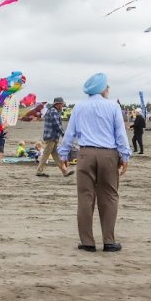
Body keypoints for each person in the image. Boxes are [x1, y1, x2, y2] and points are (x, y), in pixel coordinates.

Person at [58, 73, 130, 253]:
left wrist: (63, 154)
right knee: (110, 196)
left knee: (85, 197)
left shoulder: (79, 107)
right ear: (103, 89)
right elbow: (120, 134)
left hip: (85, 154)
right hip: (109, 154)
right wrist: (125, 156)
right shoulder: (113, 106)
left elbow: (70, 133)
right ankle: (109, 241)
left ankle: (87, 242)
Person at [37, 97, 72, 177]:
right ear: (58, 104)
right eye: (62, 104)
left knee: (56, 156)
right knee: (46, 155)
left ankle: (65, 172)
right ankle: (39, 171)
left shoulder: (52, 110)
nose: (62, 106)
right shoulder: (53, 111)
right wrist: (64, 134)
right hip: (51, 136)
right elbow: (57, 125)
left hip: (52, 136)